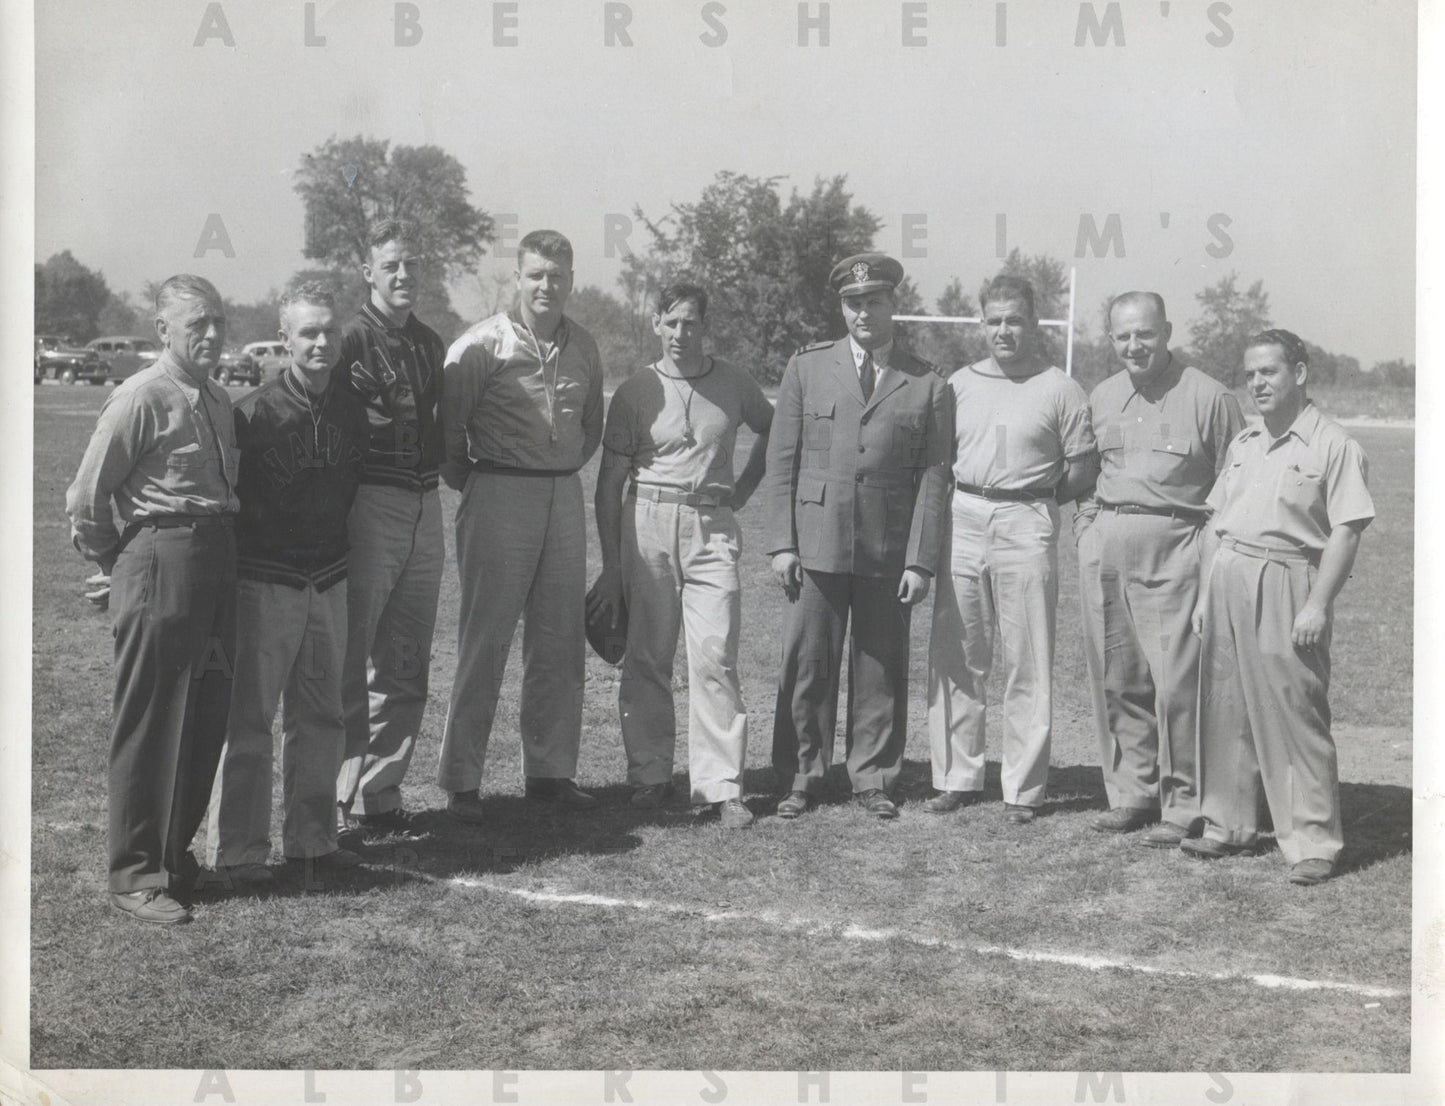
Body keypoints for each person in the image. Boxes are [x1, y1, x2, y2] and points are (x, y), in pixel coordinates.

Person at [65, 274, 239, 925]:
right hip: (161, 558)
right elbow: (85, 499)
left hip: (219, 562)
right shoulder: (141, 396)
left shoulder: (218, 399)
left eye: (218, 320)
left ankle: (173, 853)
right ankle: (135, 871)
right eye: (198, 323)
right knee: (151, 717)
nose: (213, 334)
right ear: (163, 329)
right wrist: (118, 563)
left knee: (204, 713)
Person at [760, 253, 952, 820]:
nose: (863, 311)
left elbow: (934, 478)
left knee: (881, 663)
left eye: (874, 301)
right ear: (842, 306)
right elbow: (782, 460)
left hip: (888, 543)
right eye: (853, 302)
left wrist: (920, 560)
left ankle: (873, 776)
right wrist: (781, 543)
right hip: (816, 539)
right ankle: (801, 775)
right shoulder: (808, 367)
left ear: (895, 304)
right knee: (808, 661)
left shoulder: (927, 383)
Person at [1184, 330, 1373, 885]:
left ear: (1300, 372)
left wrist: (1317, 604)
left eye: (1269, 372)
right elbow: (1215, 524)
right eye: (1251, 375)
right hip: (1227, 577)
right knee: (1224, 705)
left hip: (1288, 579)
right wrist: (1203, 597)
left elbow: (1347, 531)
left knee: (1294, 711)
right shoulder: (1244, 443)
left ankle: (1313, 840)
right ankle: (1227, 822)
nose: (1258, 383)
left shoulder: (1333, 444)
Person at [589, 282, 773, 827]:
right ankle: (649, 774)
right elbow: (608, 484)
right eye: (670, 322)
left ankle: (721, 786)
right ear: (655, 323)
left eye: (690, 323)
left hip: (712, 524)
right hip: (646, 520)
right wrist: (613, 564)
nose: (680, 333)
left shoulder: (734, 381)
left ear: (704, 326)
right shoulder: (637, 389)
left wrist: (742, 488)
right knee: (647, 654)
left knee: (715, 654)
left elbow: (776, 429)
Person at [438, 229, 606, 820]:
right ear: (517, 277)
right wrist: (488, 482)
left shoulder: (584, 344)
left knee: (559, 640)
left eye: (557, 275)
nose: (546, 285)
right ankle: (461, 781)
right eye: (535, 274)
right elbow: (448, 434)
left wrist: (555, 472)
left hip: (561, 494)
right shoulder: (480, 344)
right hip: (497, 489)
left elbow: (591, 428)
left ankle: (551, 771)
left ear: (570, 280)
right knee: (486, 638)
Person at [204, 284, 370, 882]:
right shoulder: (253, 413)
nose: (321, 342)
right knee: (249, 719)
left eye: (329, 331)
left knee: (323, 716)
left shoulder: (353, 409)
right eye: (308, 332)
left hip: (327, 579)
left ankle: (313, 840)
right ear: (285, 337)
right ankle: (240, 852)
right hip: (265, 580)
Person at [926, 275, 1096, 824]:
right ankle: (957, 776)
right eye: (994, 319)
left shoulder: (1060, 388)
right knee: (958, 652)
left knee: (1028, 658)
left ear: (1035, 323)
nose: (1004, 330)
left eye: (1015, 319)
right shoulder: (957, 384)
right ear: (981, 323)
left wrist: (1033, 500)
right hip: (965, 513)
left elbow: (1081, 469)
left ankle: (1023, 789)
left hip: (1028, 517)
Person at [1076, 292, 1245, 847]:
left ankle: (1185, 804)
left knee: (1178, 686)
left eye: (1144, 334)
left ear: (1166, 330)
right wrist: (1087, 532)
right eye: (1122, 336)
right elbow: (1083, 475)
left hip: (1178, 546)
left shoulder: (1208, 396)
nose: (1134, 345)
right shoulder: (1102, 395)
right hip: (1107, 549)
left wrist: (1211, 553)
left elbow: (1237, 480)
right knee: (1119, 679)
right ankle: (1133, 792)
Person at [334, 220, 447, 838]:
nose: (403, 275)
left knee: (405, 658)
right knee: (353, 656)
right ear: (369, 272)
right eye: (391, 266)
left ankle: (382, 791)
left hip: (425, 502)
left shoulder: (429, 342)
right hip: (371, 501)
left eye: (411, 264)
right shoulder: (348, 338)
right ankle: (334, 798)